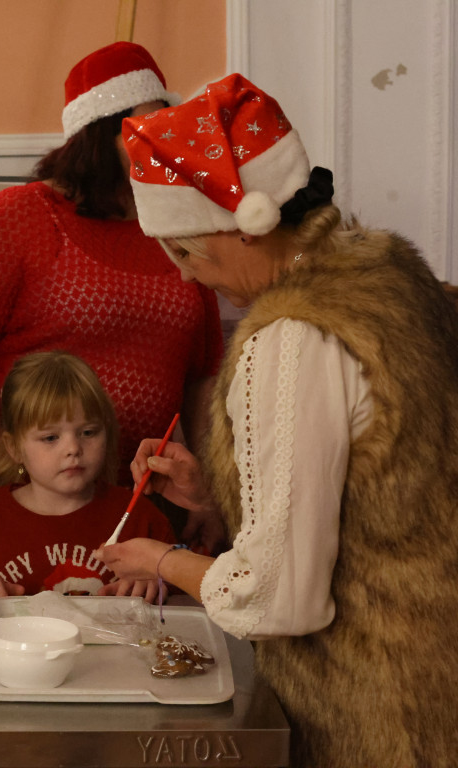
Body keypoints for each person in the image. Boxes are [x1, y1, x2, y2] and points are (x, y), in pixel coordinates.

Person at [94, 73, 458, 767]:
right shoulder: (390, 279)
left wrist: (163, 559)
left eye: (185, 249)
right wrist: (215, 494)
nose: (186, 276)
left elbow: (278, 599)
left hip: (377, 703)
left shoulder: (290, 342)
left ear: (242, 225)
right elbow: (385, 479)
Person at [0, 42, 224, 550]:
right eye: (146, 125)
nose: (163, 140)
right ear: (101, 132)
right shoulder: (21, 216)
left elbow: (202, 375)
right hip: (32, 499)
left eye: (167, 123)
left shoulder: (180, 226)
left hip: (143, 503)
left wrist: (207, 492)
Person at [0, 351, 174, 601]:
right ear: (14, 448)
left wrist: (158, 585)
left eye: (88, 432)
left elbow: (188, 596)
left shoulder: (141, 518)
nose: (73, 448)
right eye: (51, 437)